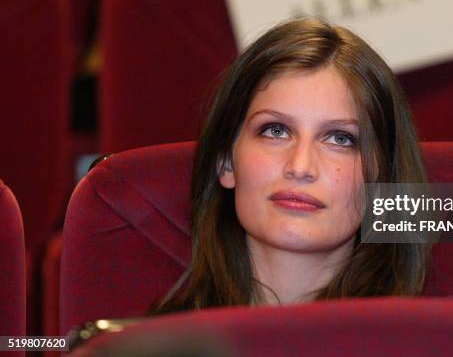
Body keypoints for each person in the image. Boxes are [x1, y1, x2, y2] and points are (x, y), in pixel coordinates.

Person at [152, 18, 429, 313]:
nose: (300, 166)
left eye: (340, 138)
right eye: (275, 131)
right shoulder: (142, 345)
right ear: (226, 162)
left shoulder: (425, 345)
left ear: (382, 180)